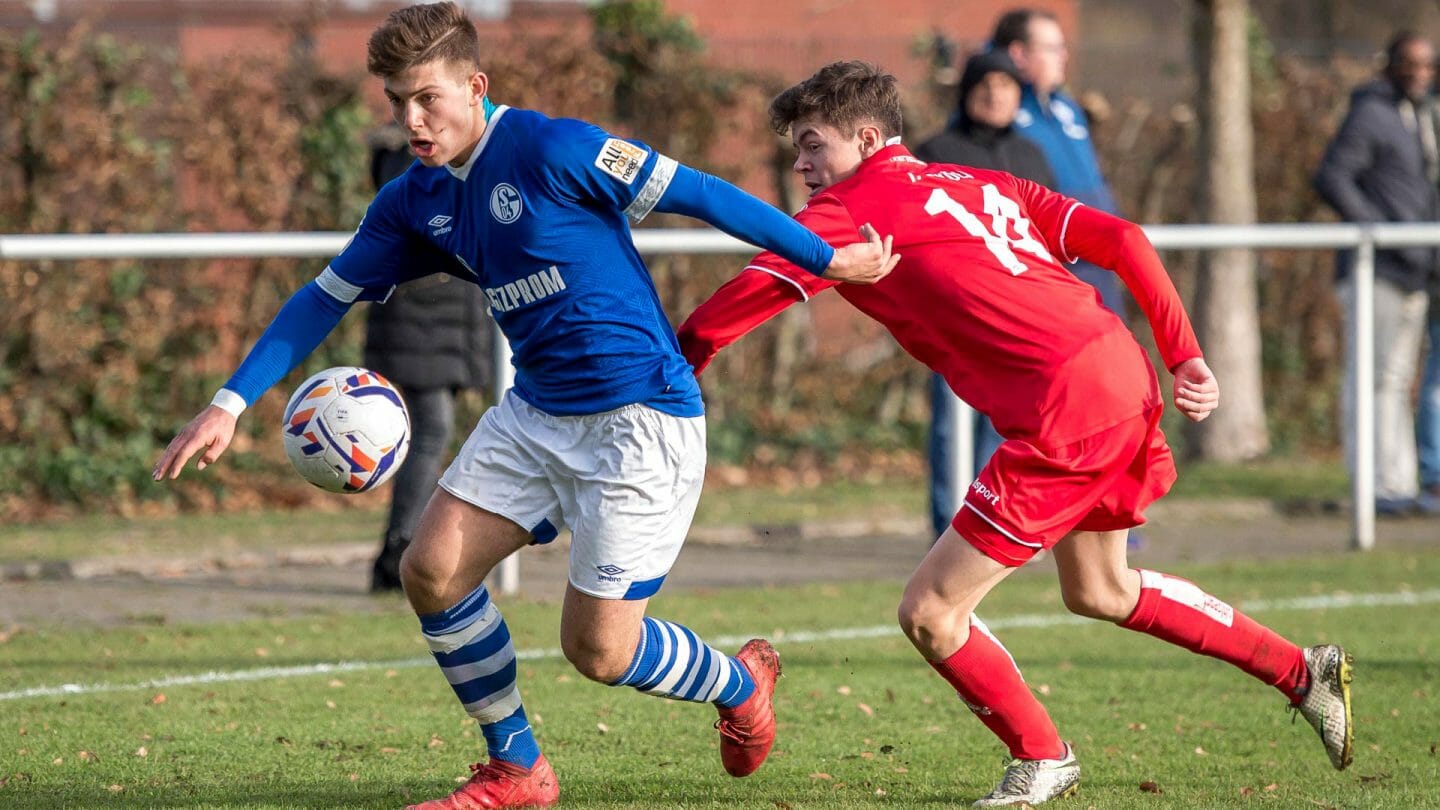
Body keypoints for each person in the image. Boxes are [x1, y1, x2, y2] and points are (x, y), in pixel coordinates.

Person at [151, 5, 897, 808]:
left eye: (427, 98)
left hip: (639, 419)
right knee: (430, 571)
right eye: (398, 101)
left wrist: (826, 257)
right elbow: (322, 297)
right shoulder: (413, 201)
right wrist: (229, 403)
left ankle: (739, 683)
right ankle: (517, 770)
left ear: (475, 87)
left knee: (600, 652)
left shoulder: (553, 147)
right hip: (537, 414)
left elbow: (703, 193)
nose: (411, 119)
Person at [678, 60, 1353, 807]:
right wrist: (1184, 354)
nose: (801, 164)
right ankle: (1301, 670)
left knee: (932, 613)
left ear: (867, 139)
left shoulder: (849, 209)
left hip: (1067, 405)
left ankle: (1042, 755)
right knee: (1101, 589)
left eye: (812, 145)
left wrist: (677, 365)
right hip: (1118, 374)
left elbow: (754, 290)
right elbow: (1125, 239)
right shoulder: (984, 183)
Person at [915, 50, 1056, 539]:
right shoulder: (934, 152)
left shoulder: (1033, 156)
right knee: (951, 429)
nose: (995, 94)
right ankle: (945, 530)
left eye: (1006, 84)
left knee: (1010, 428)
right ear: (967, 90)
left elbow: (1048, 234)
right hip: (956, 319)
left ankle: (995, 530)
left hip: (1022, 320)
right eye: (986, 84)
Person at [363, 123, 493, 592]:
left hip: (439, 332)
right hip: (419, 330)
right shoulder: (416, 169)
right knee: (430, 430)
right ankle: (400, 547)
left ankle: (406, 547)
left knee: (430, 432)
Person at [1315, 31, 1440, 516]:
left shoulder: (1419, 116)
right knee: (1370, 378)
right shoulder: (1371, 114)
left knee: (1395, 379)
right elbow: (1333, 176)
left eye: (1428, 65)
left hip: (1412, 269)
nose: (1420, 72)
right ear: (1389, 64)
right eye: (1410, 63)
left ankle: (1396, 483)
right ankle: (1373, 486)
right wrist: (1377, 230)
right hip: (1378, 268)